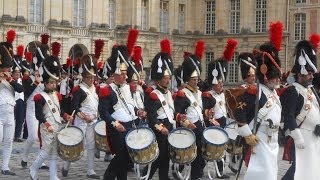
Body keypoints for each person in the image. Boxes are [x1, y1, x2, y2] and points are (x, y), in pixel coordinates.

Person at [234, 22, 283, 180]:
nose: (277, 80)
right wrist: (247, 135)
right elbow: (239, 112)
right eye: (275, 77)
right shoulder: (254, 92)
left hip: (273, 141)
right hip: (259, 140)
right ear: (266, 75)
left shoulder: (274, 93)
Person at [99, 30, 146, 180]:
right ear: (115, 74)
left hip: (130, 125)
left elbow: (130, 105)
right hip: (117, 127)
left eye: (126, 74)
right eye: (123, 74)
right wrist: (114, 123)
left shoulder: (127, 88)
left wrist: (138, 111)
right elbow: (103, 112)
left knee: (126, 158)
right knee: (121, 157)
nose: (126, 76)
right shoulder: (107, 90)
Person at [29, 42, 73, 180]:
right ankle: (33, 168)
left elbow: (59, 110)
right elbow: (38, 114)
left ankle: (53, 176)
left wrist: (65, 115)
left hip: (57, 125)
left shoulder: (56, 95)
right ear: (45, 83)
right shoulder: (39, 97)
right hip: (46, 127)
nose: (54, 85)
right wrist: (46, 124)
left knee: (54, 152)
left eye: (55, 82)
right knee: (45, 151)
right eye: (51, 83)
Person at [61, 39, 104, 179]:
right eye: (89, 77)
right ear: (84, 77)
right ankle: (66, 165)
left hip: (92, 120)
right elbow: (74, 106)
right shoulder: (79, 89)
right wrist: (82, 116)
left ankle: (90, 170)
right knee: (75, 144)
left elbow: (98, 105)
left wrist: (95, 115)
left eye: (93, 77)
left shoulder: (95, 89)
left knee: (91, 146)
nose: (92, 80)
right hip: (81, 120)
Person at [281, 39, 320, 180]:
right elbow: (289, 115)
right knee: (298, 169)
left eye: (312, 73)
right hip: (301, 136)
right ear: (300, 73)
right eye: (309, 73)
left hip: (314, 137)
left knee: (310, 169)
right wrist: (297, 137)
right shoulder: (293, 91)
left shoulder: (310, 90)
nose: (311, 76)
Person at [141, 39, 177, 180]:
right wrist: (160, 128)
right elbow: (152, 117)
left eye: (169, 78)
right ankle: (146, 176)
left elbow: (171, 111)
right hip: (159, 128)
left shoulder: (168, 93)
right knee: (159, 156)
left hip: (168, 126)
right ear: (158, 80)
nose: (168, 80)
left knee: (166, 155)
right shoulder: (154, 95)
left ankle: (163, 177)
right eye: (165, 78)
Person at [174, 40, 206, 180]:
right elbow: (178, 113)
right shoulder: (183, 93)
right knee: (191, 154)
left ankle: (197, 175)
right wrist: (187, 123)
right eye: (193, 80)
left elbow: (199, 110)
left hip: (200, 125)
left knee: (200, 154)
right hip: (190, 127)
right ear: (188, 80)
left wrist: (207, 114)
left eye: (197, 79)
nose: (196, 81)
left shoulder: (198, 93)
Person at [21, 33, 50, 169]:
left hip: (43, 109)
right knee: (33, 137)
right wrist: (34, 82)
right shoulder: (28, 78)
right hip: (31, 108)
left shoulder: (45, 78)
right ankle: (24, 156)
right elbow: (25, 92)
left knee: (43, 137)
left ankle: (40, 161)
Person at [0, 29, 24, 176]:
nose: (9, 69)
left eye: (9, 68)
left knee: (8, 141)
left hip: (10, 113)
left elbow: (20, 89)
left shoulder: (11, 79)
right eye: (6, 68)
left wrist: (9, 79)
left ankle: (5, 166)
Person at [12, 45, 26, 142]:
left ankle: (17, 135)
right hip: (13, 100)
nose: (17, 75)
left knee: (20, 119)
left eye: (18, 73)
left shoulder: (22, 80)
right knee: (11, 120)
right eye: (15, 73)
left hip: (21, 100)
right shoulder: (11, 80)